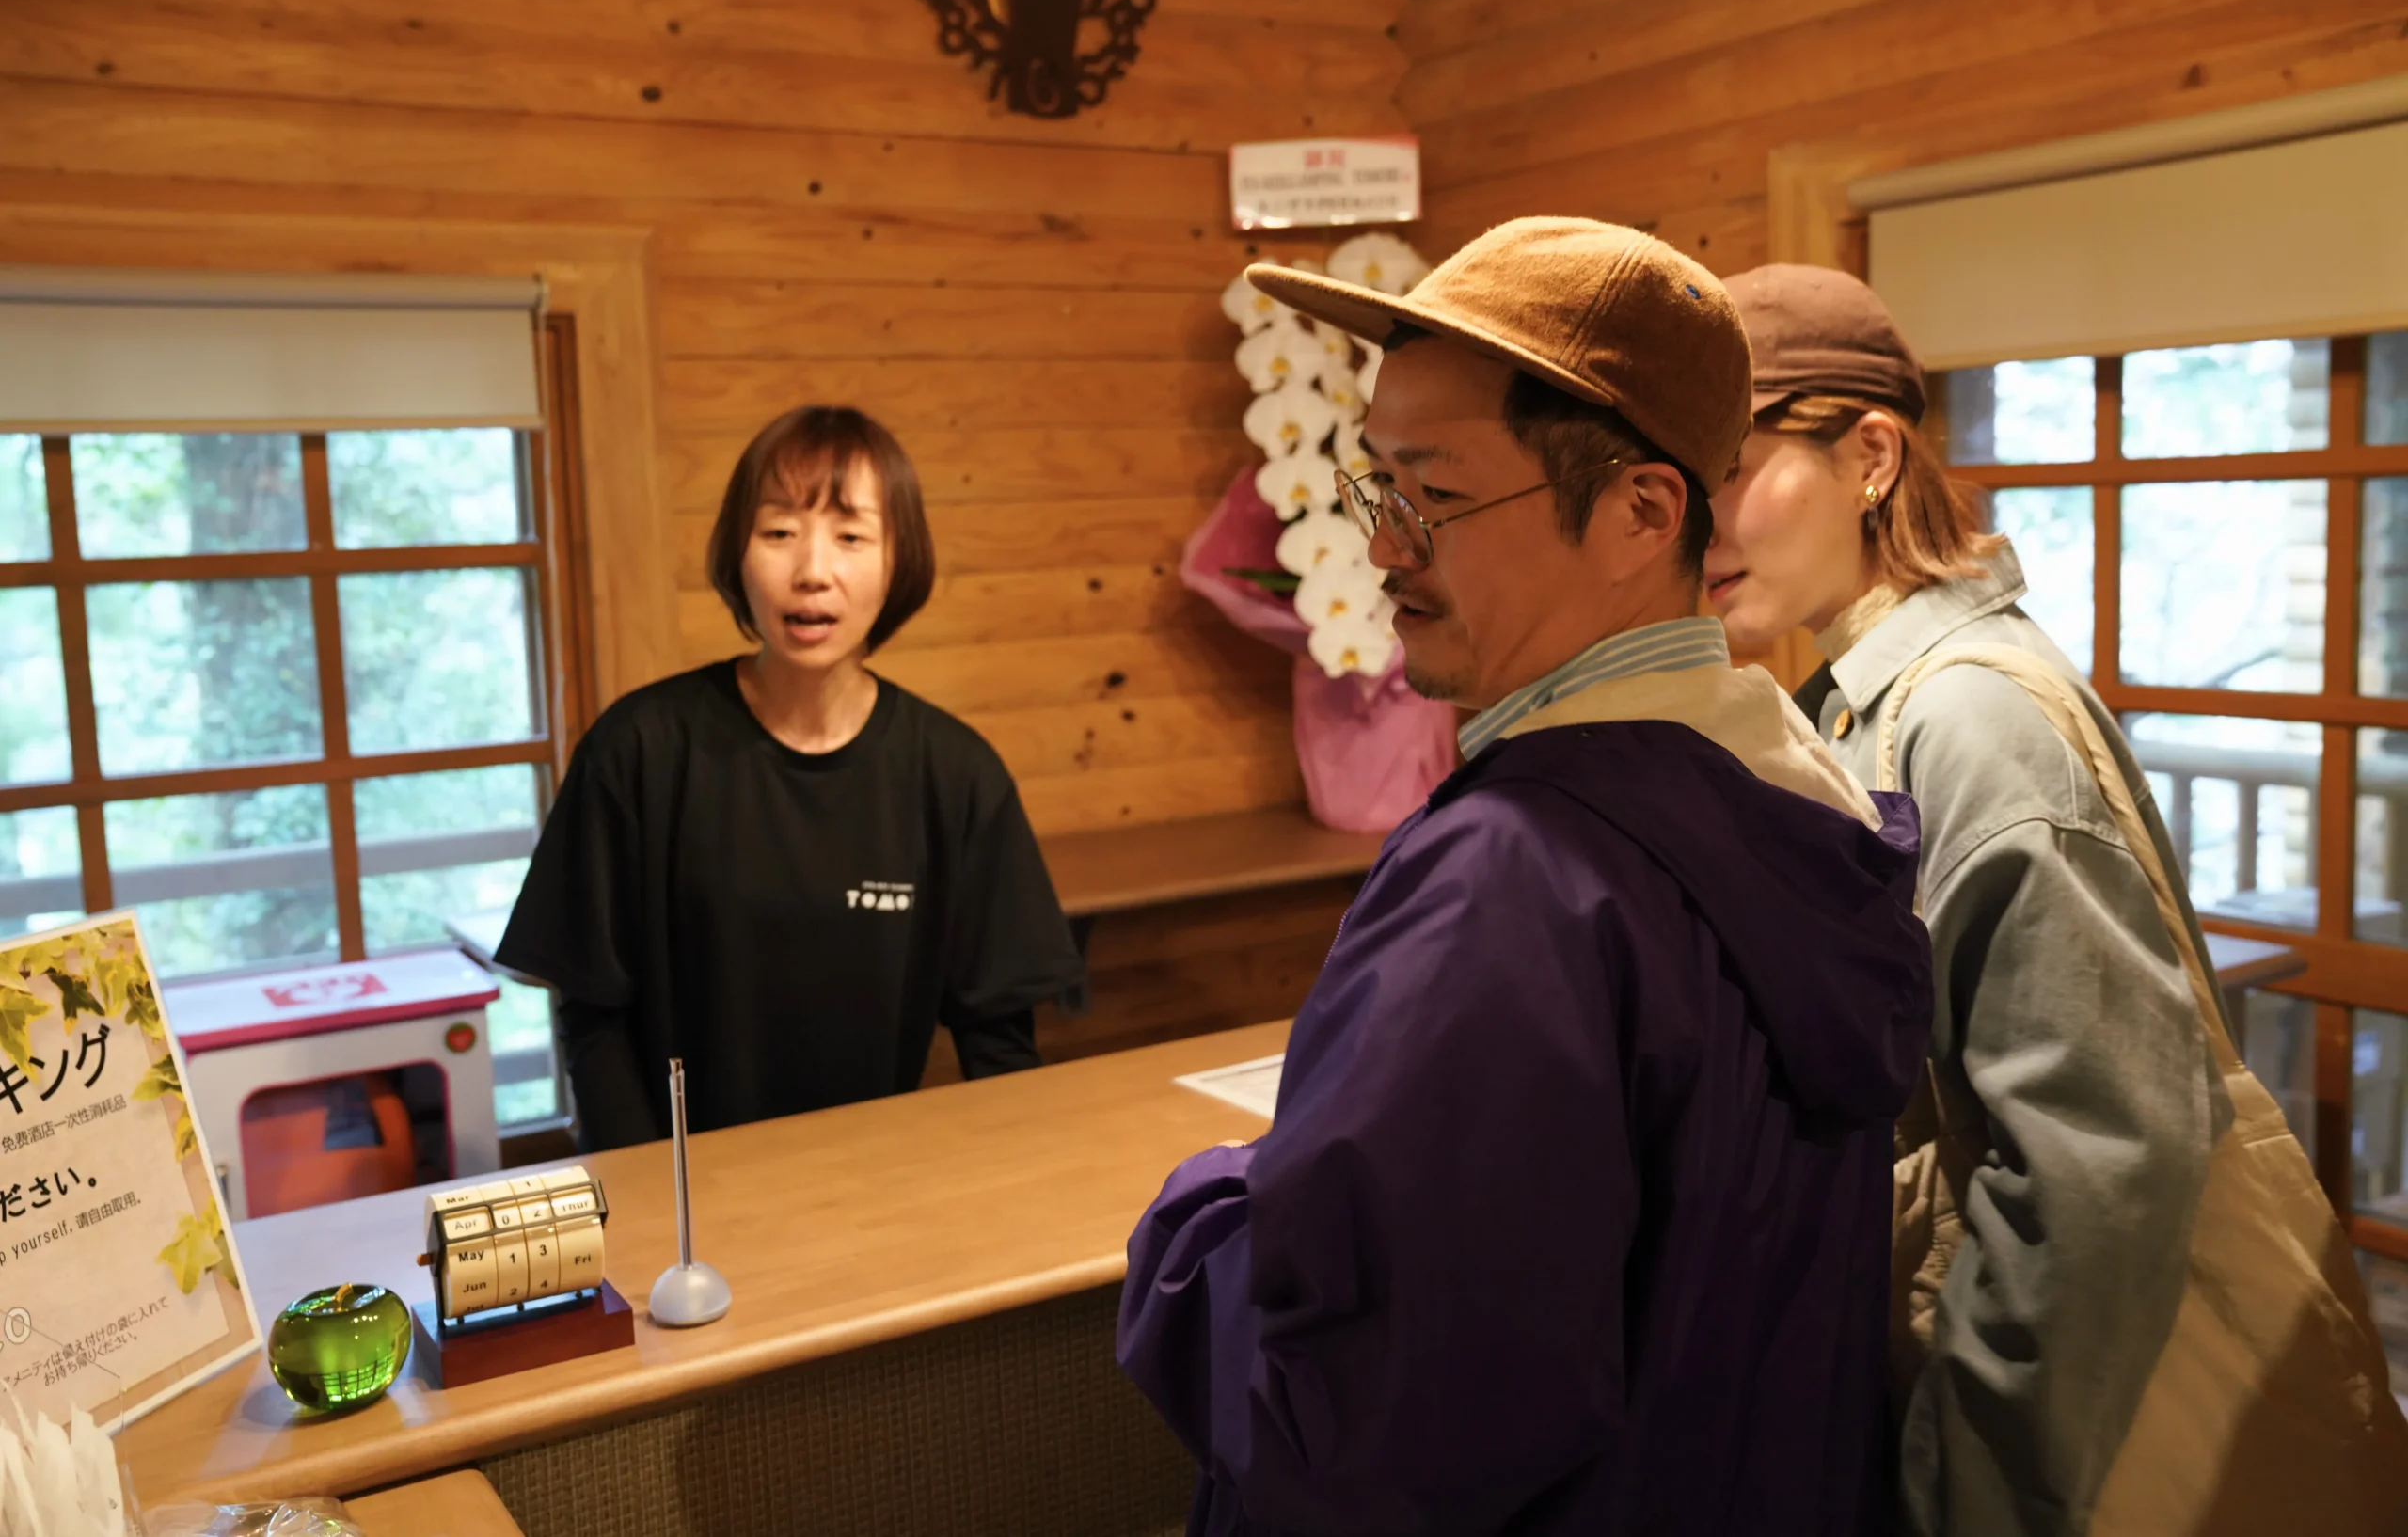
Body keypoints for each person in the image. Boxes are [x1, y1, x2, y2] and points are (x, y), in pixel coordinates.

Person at [1116, 219, 1935, 1535]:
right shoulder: (1799, 807)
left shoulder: (1513, 882)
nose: (1384, 549)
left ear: (1640, 511)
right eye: (1374, 489)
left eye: (1432, 496)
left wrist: (1200, 1210)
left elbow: (1350, 1431)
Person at [1704, 264, 2407, 1534]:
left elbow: (2095, 1176)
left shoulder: (1967, 716)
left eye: (1730, 469)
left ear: (1870, 456)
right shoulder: (1872, 700)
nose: (1698, 524)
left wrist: (1966, 1489)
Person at [497, 405, 1084, 1150]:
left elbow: (998, 1038)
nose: (812, 572)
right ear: (738, 554)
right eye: (779, 533)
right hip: (679, 1196)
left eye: (851, 537)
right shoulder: (639, 748)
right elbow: (590, 1010)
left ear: (898, 561)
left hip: (871, 1177)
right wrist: (646, 1194)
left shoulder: (955, 773)